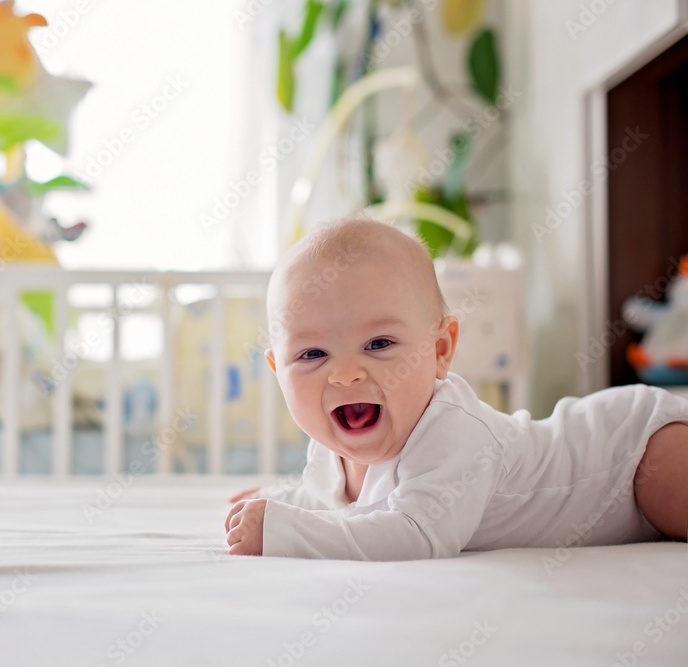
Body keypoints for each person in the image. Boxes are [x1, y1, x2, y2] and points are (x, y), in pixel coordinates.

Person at [225, 216, 688, 559]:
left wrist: (284, 532)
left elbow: (415, 535)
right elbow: (330, 503)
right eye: (312, 355)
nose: (345, 374)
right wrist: (277, 501)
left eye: (379, 343)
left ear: (441, 348)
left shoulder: (450, 430)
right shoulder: (330, 449)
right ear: (277, 370)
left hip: (628, 455)